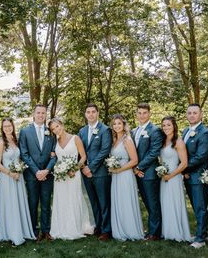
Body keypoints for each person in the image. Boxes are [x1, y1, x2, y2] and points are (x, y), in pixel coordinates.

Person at [48, 118, 94, 240]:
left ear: (62, 124)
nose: (56, 130)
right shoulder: (55, 141)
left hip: (73, 174)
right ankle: (61, 228)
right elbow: (55, 157)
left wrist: (75, 168)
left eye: (57, 126)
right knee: (61, 200)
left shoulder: (75, 138)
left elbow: (83, 156)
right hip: (60, 176)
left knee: (73, 198)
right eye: (53, 129)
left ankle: (74, 228)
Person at [0, 118, 35, 245]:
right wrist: (10, 173)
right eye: (5, 126)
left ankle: (21, 230)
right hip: (7, 178)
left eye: (9, 125)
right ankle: (11, 233)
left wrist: (19, 170)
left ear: (13, 126)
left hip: (18, 176)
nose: (7, 128)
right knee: (10, 204)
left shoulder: (15, 140)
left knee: (18, 203)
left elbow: (20, 158)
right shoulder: (1, 142)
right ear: (2, 128)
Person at [19, 105, 57, 241]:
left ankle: (46, 231)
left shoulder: (51, 132)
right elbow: (24, 153)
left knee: (46, 203)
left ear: (46, 115)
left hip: (48, 174)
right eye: (38, 113)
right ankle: (34, 231)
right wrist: (36, 171)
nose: (41, 115)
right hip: (31, 174)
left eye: (43, 113)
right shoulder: (25, 131)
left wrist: (46, 170)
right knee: (33, 203)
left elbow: (55, 154)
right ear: (33, 114)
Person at [78, 103, 113, 241]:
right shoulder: (82, 131)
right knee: (93, 202)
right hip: (86, 173)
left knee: (103, 202)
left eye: (93, 111)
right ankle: (98, 226)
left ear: (97, 113)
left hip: (100, 173)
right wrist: (83, 168)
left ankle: (106, 230)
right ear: (85, 114)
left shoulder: (105, 130)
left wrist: (90, 168)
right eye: (88, 112)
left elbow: (104, 151)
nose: (91, 114)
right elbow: (80, 152)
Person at [109, 114, 144, 241]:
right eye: (114, 124)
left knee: (126, 202)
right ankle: (120, 229)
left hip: (125, 175)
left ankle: (131, 230)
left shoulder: (127, 140)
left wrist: (119, 169)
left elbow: (134, 160)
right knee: (118, 201)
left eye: (119, 123)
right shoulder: (114, 140)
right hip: (116, 176)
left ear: (124, 125)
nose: (117, 126)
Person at [132, 103, 163, 241]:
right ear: (136, 114)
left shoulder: (155, 130)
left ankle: (155, 233)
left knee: (153, 203)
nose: (142, 115)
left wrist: (139, 167)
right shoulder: (133, 131)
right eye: (139, 113)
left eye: (144, 113)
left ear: (149, 113)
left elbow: (153, 152)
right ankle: (151, 230)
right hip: (137, 173)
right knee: (146, 202)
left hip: (149, 173)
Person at [182, 103, 208, 248]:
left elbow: (201, 156)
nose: (192, 115)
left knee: (200, 207)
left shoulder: (205, 132)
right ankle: (202, 232)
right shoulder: (185, 131)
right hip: (188, 175)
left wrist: (182, 168)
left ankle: (200, 239)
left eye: (195, 113)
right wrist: (184, 171)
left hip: (199, 176)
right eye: (189, 113)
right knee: (195, 206)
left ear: (201, 115)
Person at [159, 116, 191, 242]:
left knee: (174, 203)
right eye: (164, 125)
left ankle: (176, 232)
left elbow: (184, 163)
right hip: (164, 176)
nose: (166, 127)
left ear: (174, 126)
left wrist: (170, 176)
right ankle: (167, 231)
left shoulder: (178, 141)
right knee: (165, 203)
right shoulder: (163, 141)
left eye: (168, 125)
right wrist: (162, 173)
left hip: (174, 176)